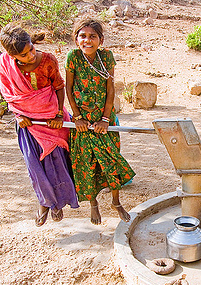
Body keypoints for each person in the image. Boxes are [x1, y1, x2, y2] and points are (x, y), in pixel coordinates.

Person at [0, 23, 79, 227]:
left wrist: (59, 114)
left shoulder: (48, 60)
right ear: (13, 56)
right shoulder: (5, 64)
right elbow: (8, 94)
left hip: (52, 120)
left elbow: (59, 87)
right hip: (28, 124)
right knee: (35, 166)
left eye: (31, 48)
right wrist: (18, 115)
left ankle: (58, 203)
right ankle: (44, 202)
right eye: (24, 55)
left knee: (57, 165)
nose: (31, 56)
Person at [65, 18, 135, 224]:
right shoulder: (73, 57)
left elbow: (110, 89)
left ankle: (116, 202)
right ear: (76, 39)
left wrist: (105, 119)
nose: (87, 40)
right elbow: (68, 89)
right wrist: (77, 118)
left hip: (105, 121)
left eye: (92, 36)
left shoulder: (107, 57)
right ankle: (93, 203)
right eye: (83, 36)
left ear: (100, 39)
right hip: (82, 123)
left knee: (111, 161)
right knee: (86, 164)